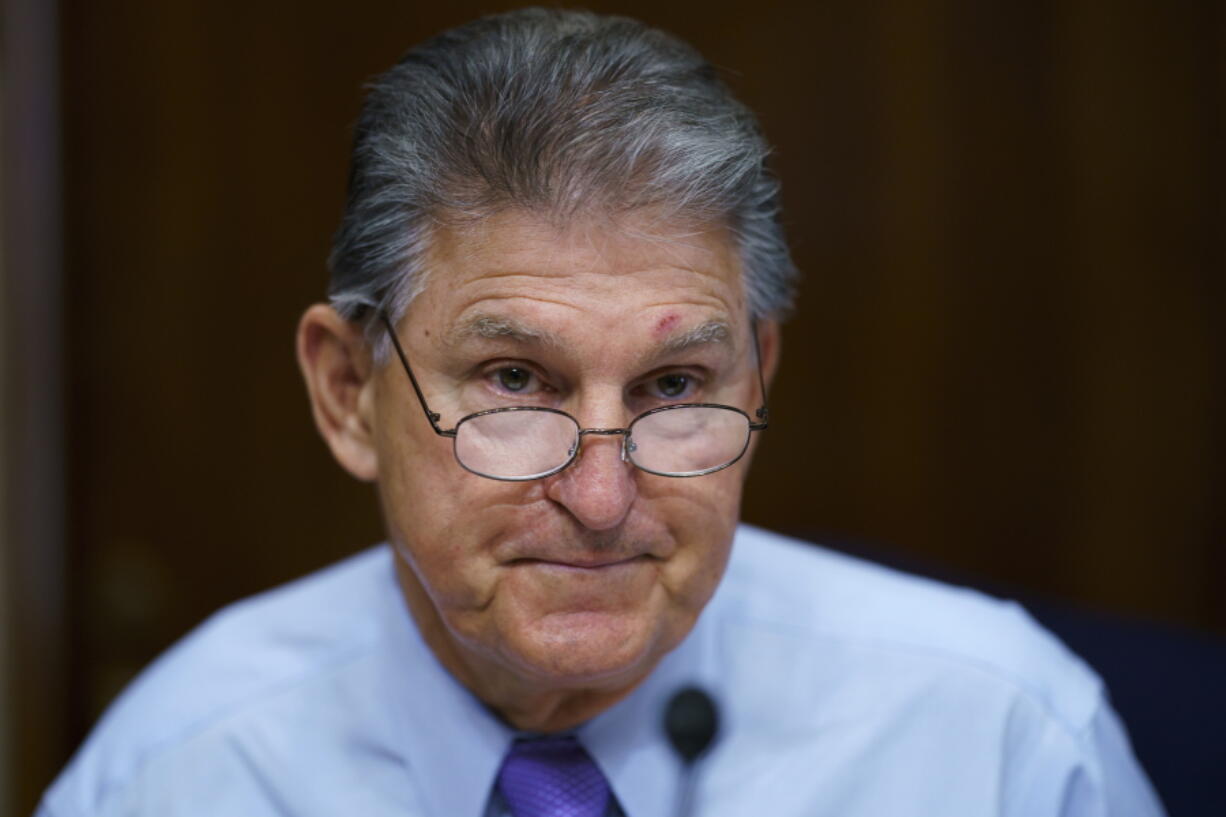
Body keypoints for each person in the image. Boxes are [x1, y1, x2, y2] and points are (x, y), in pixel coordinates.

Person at [38, 8, 1164, 816]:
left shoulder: (999, 738)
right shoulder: (175, 771)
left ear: (755, 376)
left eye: (675, 388)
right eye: (513, 381)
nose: (600, 496)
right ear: (345, 392)